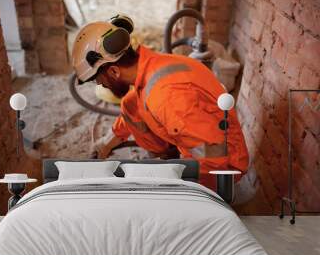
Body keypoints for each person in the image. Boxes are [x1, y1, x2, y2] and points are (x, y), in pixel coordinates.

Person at [71, 16, 249, 189]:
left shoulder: (167, 96)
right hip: (198, 145)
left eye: (98, 79)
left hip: (221, 169)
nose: (101, 84)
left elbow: (211, 157)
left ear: (114, 72)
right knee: (130, 104)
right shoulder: (151, 67)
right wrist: (107, 143)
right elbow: (133, 111)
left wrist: (169, 180)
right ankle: (168, 156)